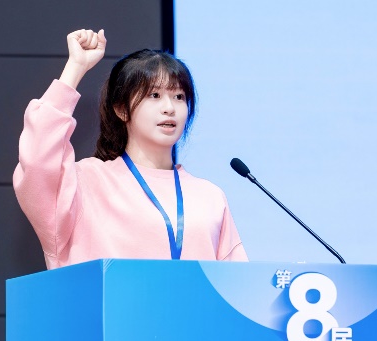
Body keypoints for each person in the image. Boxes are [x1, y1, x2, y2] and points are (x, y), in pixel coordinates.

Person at [13, 29, 248, 269]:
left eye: (179, 96)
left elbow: (237, 282)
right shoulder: (85, 183)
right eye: (154, 95)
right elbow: (37, 158)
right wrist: (75, 67)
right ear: (121, 109)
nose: (169, 108)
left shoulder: (210, 196)